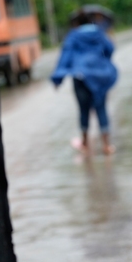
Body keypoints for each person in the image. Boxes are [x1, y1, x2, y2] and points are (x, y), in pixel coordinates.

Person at [50, 11, 119, 155]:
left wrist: (58, 79)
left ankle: (85, 144)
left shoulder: (73, 36)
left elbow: (65, 56)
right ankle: (106, 145)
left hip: (80, 76)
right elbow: (110, 49)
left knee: (83, 110)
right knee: (101, 108)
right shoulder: (100, 33)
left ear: (77, 23)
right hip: (100, 77)